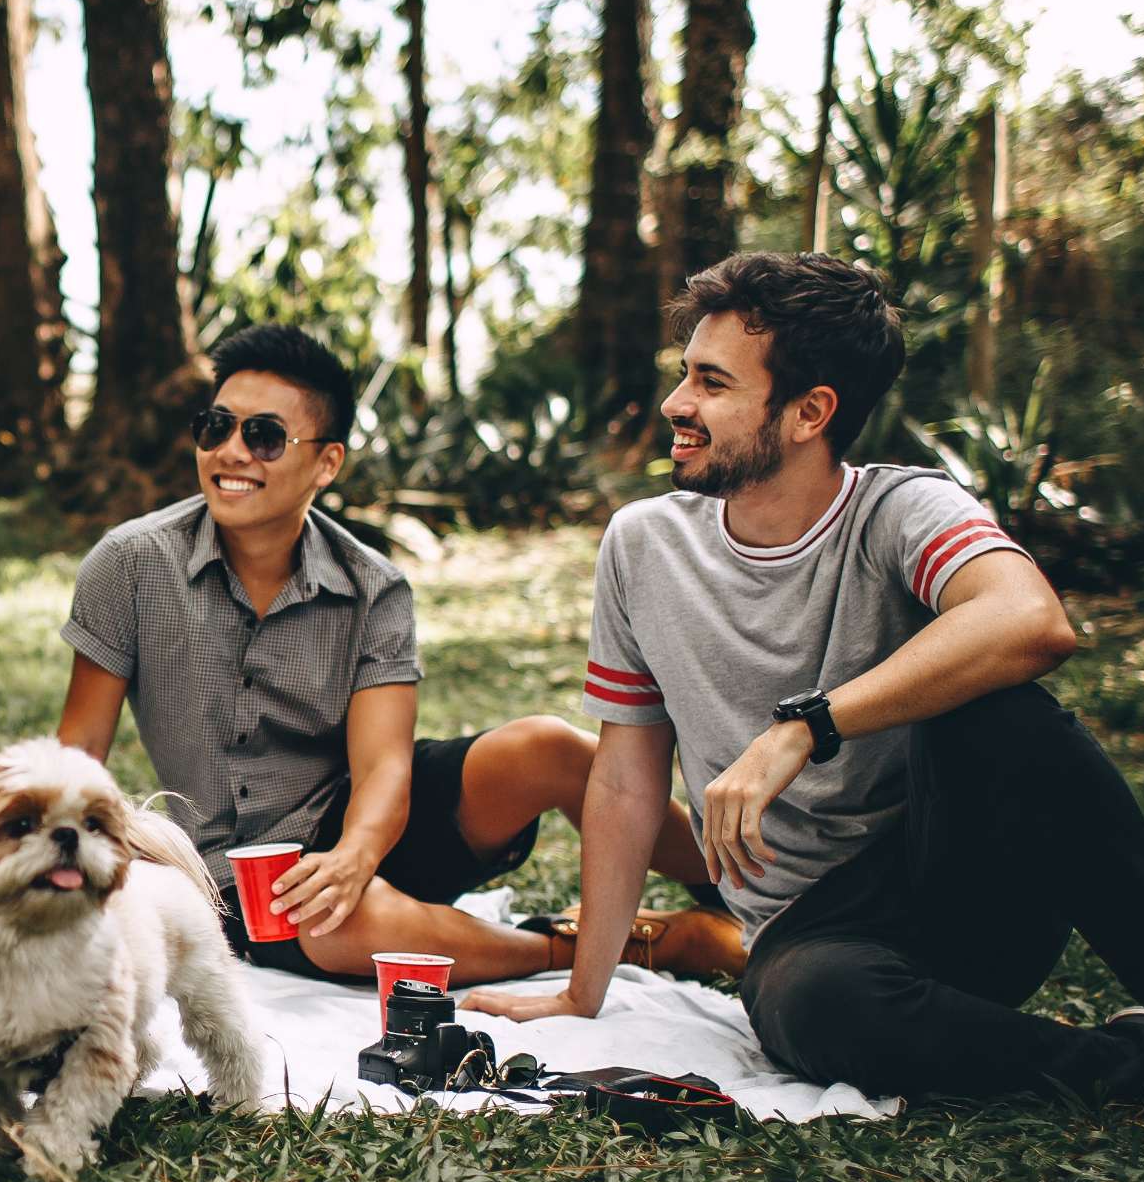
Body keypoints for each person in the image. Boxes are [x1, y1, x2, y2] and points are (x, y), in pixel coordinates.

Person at [463, 251, 1144, 1129]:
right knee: (813, 1008)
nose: (676, 405)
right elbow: (623, 779)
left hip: (961, 886)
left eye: (712, 383)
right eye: (685, 374)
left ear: (810, 412)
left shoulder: (902, 510)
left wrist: (804, 727)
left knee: (1004, 714)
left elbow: (1033, 622)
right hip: (812, 938)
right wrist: (583, 992)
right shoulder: (644, 545)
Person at [55, 323, 742, 986]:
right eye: (216, 427)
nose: (231, 452)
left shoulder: (373, 587)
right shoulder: (131, 565)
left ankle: (750, 901)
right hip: (240, 877)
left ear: (326, 462)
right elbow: (79, 749)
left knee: (549, 747)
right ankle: (621, 944)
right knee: (336, 925)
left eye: (263, 436)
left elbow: (384, 765)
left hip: (367, 822)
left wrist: (355, 856)